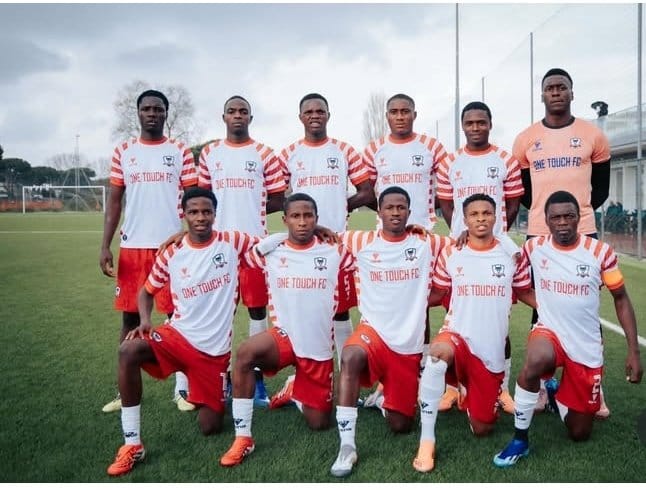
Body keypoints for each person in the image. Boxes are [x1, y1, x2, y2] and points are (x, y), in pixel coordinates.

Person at [106, 187, 258, 476]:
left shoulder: (232, 242)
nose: (200, 217)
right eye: (193, 212)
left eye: (206, 212)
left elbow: (277, 242)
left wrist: (317, 229)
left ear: (215, 214)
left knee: (210, 427)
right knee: (128, 350)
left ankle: (218, 387)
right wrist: (145, 320)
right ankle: (132, 443)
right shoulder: (172, 252)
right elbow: (146, 291)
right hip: (176, 337)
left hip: (213, 354)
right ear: (184, 214)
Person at [492, 190, 642, 468]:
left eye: (569, 216)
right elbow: (502, 254)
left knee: (579, 432)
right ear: (546, 220)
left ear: (579, 217)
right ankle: (520, 439)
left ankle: (554, 393)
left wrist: (634, 351)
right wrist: (464, 237)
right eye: (556, 217)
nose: (562, 223)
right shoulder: (534, 247)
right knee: (535, 361)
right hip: (549, 332)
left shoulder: (600, 252)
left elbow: (620, 299)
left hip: (585, 345)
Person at [219, 193, 354, 467]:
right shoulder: (270, 252)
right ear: (285, 219)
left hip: (317, 348)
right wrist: (280, 237)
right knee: (245, 353)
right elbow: (233, 249)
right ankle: (243, 437)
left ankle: (295, 389)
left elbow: (371, 253)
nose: (302, 222)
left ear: (317, 219)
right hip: (284, 338)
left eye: (308, 216)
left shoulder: (335, 250)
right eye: (295, 216)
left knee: (319, 423)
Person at [329, 186, 450, 478]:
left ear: (409, 212)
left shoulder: (426, 243)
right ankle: (347, 446)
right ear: (379, 211)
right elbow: (319, 235)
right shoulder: (360, 240)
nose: (395, 213)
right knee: (350, 356)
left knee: (401, 426)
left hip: (406, 347)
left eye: (401, 207)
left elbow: (465, 241)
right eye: (389, 207)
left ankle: (385, 399)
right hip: (373, 333)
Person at [513, 68, 612, 416]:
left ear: (572, 92)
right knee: (541, 305)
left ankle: (591, 386)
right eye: (550, 88)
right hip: (540, 233)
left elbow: (601, 190)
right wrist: (548, 216)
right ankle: (541, 386)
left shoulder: (592, 135)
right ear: (542, 95)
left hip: (582, 231)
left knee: (585, 305)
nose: (556, 92)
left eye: (562, 87)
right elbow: (524, 192)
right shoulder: (526, 139)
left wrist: (574, 215)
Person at [412, 193, 533, 473]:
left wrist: (556, 310)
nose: (481, 219)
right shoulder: (452, 252)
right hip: (457, 336)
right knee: (437, 355)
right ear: (464, 220)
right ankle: (427, 440)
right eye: (474, 214)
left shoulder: (511, 254)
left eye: (486, 213)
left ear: (496, 217)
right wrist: (405, 302)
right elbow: (437, 293)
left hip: (489, 353)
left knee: (483, 428)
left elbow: (525, 292)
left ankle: (469, 393)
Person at [100, 89, 198, 414]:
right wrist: (105, 245)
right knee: (130, 319)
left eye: (158, 109)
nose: (152, 113)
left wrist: (186, 233)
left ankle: (182, 390)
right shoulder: (124, 151)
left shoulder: (180, 151)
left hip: (171, 248)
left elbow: (194, 197)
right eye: (147, 109)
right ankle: (125, 391)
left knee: (178, 318)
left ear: (166, 114)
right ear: (138, 113)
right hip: (132, 247)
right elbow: (115, 201)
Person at [198, 95, 287, 406]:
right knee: (217, 313)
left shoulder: (265, 154)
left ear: (251, 117)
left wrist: (253, 208)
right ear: (223, 117)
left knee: (257, 311)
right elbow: (201, 199)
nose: (238, 116)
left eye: (243, 111)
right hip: (218, 246)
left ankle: (257, 380)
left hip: (255, 247)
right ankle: (217, 379)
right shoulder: (209, 153)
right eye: (232, 111)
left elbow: (278, 198)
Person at [436, 101, 524, 414]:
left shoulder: (506, 160)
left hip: (495, 253)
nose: (475, 127)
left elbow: (513, 202)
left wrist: (496, 237)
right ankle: (452, 389)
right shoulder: (450, 162)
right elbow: (447, 204)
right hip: (463, 252)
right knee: (455, 321)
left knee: (499, 325)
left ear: (490, 123)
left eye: (481, 122)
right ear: (463, 126)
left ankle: (502, 389)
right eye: (470, 123)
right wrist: (462, 231)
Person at [361, 94, 448, 404]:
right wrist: (389, 217)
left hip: (423, 235)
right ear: (387, 116)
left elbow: (446, 189)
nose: (400, 116)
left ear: (414, 113)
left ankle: (422, 367)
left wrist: (423, 216)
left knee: (419, 304)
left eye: (405, 111)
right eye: (394, 112)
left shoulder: (432, 147)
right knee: (388, 305)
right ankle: (386, 375)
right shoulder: (374, 150)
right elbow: (368, 192)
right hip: (387, 239)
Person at [278, 93, 375, 368]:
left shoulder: (344, 151)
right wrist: (307, 221)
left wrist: (341, 206)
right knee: (306, 310)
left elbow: (367, 192)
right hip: (302, 246)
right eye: (309, 112)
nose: (314, 116)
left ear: (328, 115)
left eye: (320, 111)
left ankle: (347, 373)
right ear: (300, 117)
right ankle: (305, 372)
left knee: (341, 311)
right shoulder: (288, 154)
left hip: (337, 242)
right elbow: (277, 197)